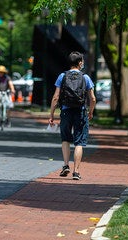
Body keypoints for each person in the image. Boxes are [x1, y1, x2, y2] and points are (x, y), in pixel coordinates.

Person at [48, 51, 96, 180]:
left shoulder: (62, 76)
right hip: (80, 112)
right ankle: (76, 172)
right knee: (79, 142)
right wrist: (90, 111)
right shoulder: (86, 78)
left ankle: (65, 165)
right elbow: (93, 98)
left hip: (65, 111)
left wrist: (52, 114)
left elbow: (55, 97)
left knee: (65, 139)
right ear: (80, 63)